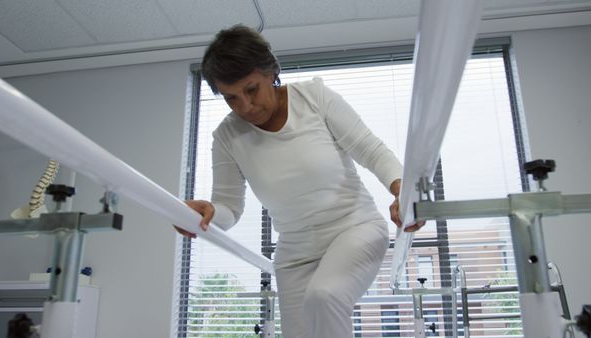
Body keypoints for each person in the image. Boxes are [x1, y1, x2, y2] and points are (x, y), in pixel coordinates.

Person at [175, 24, 424, 338]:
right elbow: (228, 208)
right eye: (232, 98)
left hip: (354, 227)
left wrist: (401, 190)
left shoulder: (314, 97)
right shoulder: (227, 136)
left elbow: (371, 150)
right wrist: (208, 213)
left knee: (325, 296)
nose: (245, 107)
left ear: (271, 71)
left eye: (251, 89)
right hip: (294, 254)